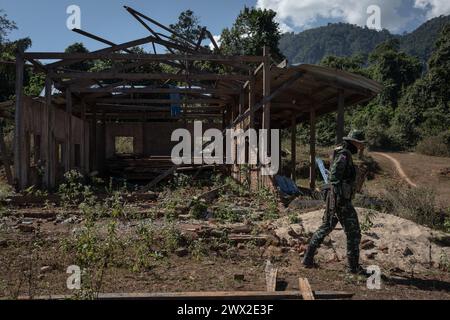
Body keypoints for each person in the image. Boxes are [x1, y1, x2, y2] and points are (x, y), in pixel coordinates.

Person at [302, 130, 367, 275]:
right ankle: (353, 268)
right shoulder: (344, 154)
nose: (361, 146)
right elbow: (335, 177)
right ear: (354, 142)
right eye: (360, 143)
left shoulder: (342, 152)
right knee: (354, 233)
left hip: (336, 198)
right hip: (340, 200)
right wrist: (339, 198)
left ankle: (308, 259)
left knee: (326, 226)